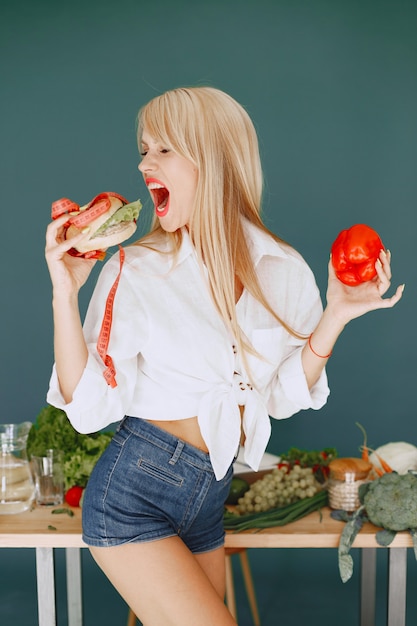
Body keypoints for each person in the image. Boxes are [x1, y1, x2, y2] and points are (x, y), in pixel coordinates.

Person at [45, 86, 404, 626]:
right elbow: (89, 407)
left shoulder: (282, 267)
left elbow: (281, 398)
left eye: (163, 149)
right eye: (144, 150)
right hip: (135, 492)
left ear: (214, 157)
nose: (145, 164)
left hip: (209, 495)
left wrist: (337, 315)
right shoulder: (135, 269)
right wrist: (64, 294)